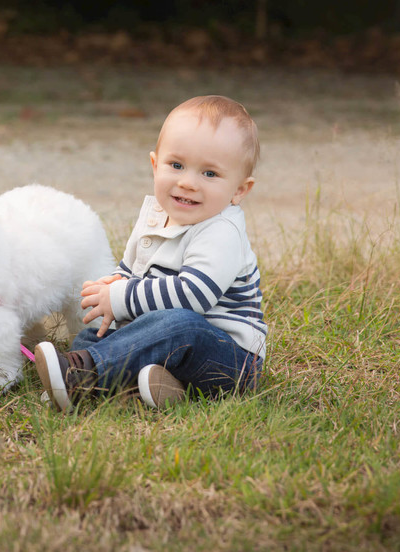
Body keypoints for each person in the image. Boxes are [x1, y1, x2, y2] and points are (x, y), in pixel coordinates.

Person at [34, 95, 266, 410]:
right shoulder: (156, 213)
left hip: (228, 360)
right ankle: (149, 385)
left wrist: (121, 297)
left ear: (239, 189)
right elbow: (133, 271)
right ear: (156, 165)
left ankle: (82, 374)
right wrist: (113, 284)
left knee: (180, 325)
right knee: (93, 336)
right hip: (171, 344)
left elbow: (193, 296)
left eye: (209, 174)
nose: (188, 183)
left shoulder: (221, 231)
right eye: (177, 165)